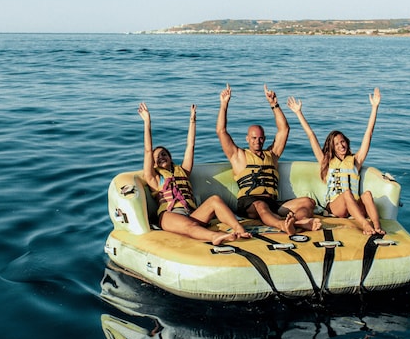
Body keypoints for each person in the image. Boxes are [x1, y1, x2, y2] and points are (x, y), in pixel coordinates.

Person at [138, 102, 250, 245]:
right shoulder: (154, 178)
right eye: (157, 157)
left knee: (215, 200)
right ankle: (214, 236)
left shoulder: (183, 172)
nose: (161, 157)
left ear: (171, 157)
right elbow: (148, 150)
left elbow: (190, 145)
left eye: (164, 154)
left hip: (191, 213)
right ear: (154, 164)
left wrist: (192, 121)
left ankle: (239, 228)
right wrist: (147, 122)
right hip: (170, 215)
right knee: (190, 226)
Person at [216, 84, 321, 235]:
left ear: (264, 139)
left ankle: (299, 222)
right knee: (261, 205)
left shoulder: (272, 155)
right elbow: (221, 131)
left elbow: (284, 129)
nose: (257, 141)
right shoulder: (238, 156)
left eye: (260, 138)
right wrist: (224, 104)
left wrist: (274, 105)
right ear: (247, 139)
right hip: (249, 203)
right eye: (253, 138)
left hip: (272, 203)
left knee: (308, 202)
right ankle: (283, 225)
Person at [286, 88, 385, 235]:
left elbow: (368, 134)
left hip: (354, 207)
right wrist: (298, 113)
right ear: (332, 148)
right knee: (346, 194)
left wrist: (375, 107)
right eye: (337, 144)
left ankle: (377, 226)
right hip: (336, 207)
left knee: (367, 195)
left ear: (347, 142)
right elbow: (311, 136)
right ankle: (365, 225)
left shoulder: (355, 160)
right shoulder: (326, 162)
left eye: (342, 141)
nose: (341, 145)